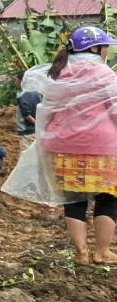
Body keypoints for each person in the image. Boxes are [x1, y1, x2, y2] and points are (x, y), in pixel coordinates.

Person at [40, 26, 117, 265]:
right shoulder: (104, 74)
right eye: (105, 47)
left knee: (74, 201)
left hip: (63, 149)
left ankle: (81, 253)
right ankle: (102, 251)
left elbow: (48, 112)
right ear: (95, 48)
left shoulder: (58, 74)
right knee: (109, 198)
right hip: (103, 149)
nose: (107, 52)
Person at [15, 69, 41, 153]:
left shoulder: (22, 96)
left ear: (21, 81)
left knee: (25, 156)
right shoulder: (35, 94)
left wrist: (37, 124)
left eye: (16, 80)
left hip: (26, 132)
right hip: (35, 132)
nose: (15, 82)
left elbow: (26, 115)